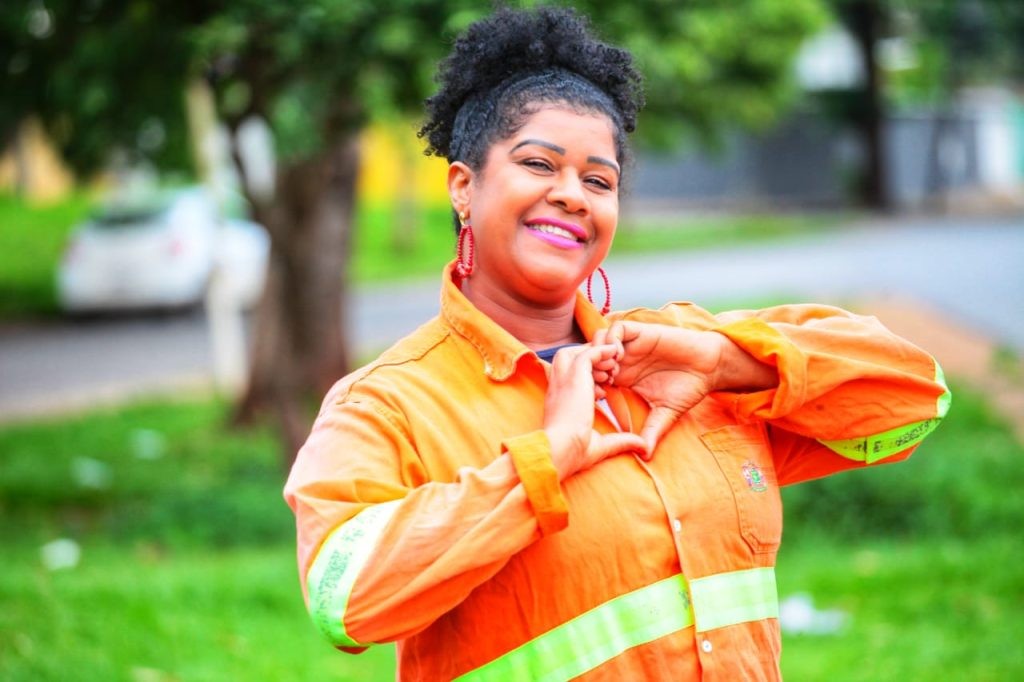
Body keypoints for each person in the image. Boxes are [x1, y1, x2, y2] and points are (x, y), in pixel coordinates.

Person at [285, 6, 951, 680]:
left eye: (599, 181)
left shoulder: (683, 350)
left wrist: (727, 364)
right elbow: (344, 601)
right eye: (539, 164)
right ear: (464, 186)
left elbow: (915, 400)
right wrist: (546, 461)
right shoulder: (389, 404)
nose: (572, 195)